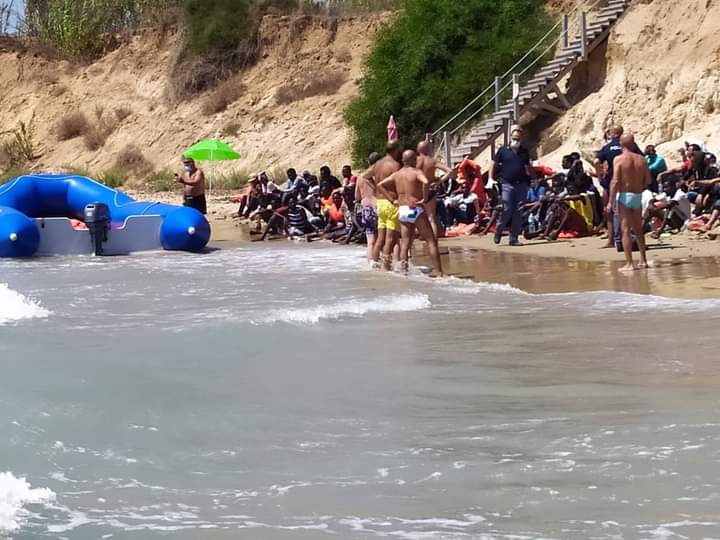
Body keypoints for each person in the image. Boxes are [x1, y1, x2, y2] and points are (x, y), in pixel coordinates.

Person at [378, 150, 443, 276]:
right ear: (414, 160)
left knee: (406, 243)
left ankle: (404, 271)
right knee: (431, 241)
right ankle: (439, 272)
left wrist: (392, 200)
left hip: (402, 210)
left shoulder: (397, 174)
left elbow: (380, 185)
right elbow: (425, 182)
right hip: (414, 208)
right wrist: (425, 198)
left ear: (403, 160)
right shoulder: (416, 172)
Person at [608, 133, 650, 272]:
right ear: (633, 144)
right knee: (638, 230)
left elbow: (615, 181)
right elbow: (648, 181)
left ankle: (629, 263)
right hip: (638, 195)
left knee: (625, 230)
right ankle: (643, 260)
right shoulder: (642, 160)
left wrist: (610, 201)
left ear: (620, 143)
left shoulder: (618, 159)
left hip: (624, 196)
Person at [489, 126, 533, 245]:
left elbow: (527, 167)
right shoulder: (503, 150)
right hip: (507, 184)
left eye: (518, 138)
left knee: (518, 211)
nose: (516, 140)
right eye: (514, 138)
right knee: (507, 209)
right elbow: (493, 163)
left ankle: (513, 238)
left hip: (521, 185)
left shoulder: (524, 152)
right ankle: (499, 230)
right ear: (511, 137)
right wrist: (490, 178)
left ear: (521, 138)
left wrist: (532, 178)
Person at [364, 142, 402, 269]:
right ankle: (387, 266)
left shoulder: (378, 164)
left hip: (380, 202)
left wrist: (376, 187)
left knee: (380, 238)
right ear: (396, 150)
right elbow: (399, 182)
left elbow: (365, 176)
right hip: (391, 202)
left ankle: (374, 263)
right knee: (391, 238)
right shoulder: (395, 165)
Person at [595, 125, 624, 247]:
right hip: (627, 182)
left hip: (611, 182)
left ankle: (611, 240)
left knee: (609, 211)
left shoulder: (607, 147)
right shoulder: (628, 145)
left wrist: (599, 175)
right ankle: (626, 238)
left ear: (611, 134)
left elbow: (597, 161)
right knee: (627, 212)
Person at [417, 140, 452, 238]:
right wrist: (438, 181)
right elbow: (449, 171)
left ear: (418, 149)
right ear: (428, 149)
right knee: (431, 218)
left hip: (418, 191)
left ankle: (422, 237)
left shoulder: (415, 161)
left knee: (419, 217)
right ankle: (434, 242)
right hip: (430, 190)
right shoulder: (432, 161)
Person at [355, 152, 382, 262]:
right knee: (384, 239)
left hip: (366, 209)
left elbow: (357, 196)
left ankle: (372, 263)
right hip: (378, 206)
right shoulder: (378, 175)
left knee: (370, 240)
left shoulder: (361, 177)